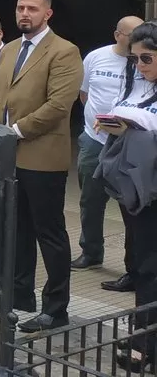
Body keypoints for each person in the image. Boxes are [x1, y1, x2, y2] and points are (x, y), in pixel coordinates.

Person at [0, 0, 82, 333]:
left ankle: (56, 308)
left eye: (32, 9)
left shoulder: (64, 52)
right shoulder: (9, 49)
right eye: (21, 7)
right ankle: (19, 295)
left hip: (42, 157)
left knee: (49, 233)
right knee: (16, 228)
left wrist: (16, 131)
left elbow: (58, 106)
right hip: (8, 155)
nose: (25, 13)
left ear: (47, 14)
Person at [95, 20, 157, 373]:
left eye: (146, 59)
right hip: (139, 191)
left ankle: (143, 347)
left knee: (150, 271)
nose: (139, 67)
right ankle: (143, 343)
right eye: (134, 60)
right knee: (146, 269)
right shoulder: (141, 87)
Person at [69, 16, 142, 274]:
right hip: (94, 139)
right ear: (117, 35)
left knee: (131, 205)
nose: (138, 39)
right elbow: (84, 94)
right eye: (132, 34)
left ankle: (133, 265)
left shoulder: (144, 62)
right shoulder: (95, 57)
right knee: (90, 199)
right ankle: (91, 251)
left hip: (130, 144)